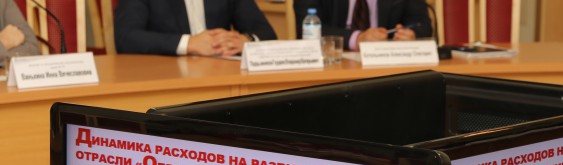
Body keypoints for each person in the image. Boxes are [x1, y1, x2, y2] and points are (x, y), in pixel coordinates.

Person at [114, 0, 277, 57]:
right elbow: (126, 37)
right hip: (166, 79)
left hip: (221, 76)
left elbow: (265, 32)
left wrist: (244, 41)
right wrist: (189, 43)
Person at [293, 0, 432, 51]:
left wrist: (411, 35)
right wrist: (357, 39)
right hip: (332, 66)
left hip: (386, 68)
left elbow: (422, 24)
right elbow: (306, 28)